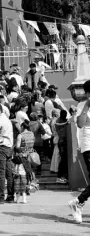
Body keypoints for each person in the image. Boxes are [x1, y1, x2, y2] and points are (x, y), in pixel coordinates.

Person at [68, 80, 90, 223]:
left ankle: (78, 202)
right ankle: (78, 202)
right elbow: (80, 124)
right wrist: (88, 104)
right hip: (89, 146)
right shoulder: (83, 105)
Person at [0, 103, 15, 204]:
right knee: (9, 174)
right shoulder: (7, 119)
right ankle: (10, 196)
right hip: (9, 147)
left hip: (1, 147)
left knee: (0, 173)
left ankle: (0, 196)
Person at [13, 120, 34, 204]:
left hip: (20, 159)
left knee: (18, 179)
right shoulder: (32, 134)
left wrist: (14, 147)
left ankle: (18, 199)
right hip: (28, 159)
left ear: (22, 127)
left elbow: (18, 147)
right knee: (26, 179)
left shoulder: (20, 135)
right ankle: (25, 198)